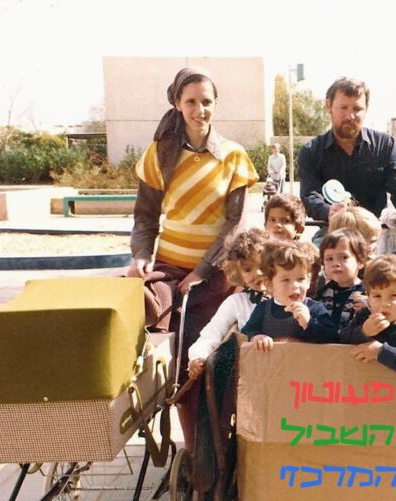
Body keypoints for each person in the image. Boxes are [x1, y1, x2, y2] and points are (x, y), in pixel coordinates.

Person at [127, 66, 258, 450]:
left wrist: (201, 270)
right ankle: (189, 447)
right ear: (177, 104)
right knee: (171, 351)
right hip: (169, 270)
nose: (200, 110)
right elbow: (145, 217)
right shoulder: (159, 154)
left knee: (209, 361)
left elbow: (235, 224)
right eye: (191, 102)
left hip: (215, 275)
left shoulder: (233, 156)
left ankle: (217, 448)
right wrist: (140, 256)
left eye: (207, 102)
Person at [298, 77, 396, 238]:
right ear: (329, 106)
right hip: (332, 234)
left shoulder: (384, 145)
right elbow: (310, 195)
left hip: (376, 235)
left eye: (357, 109)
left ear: (366, 109)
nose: (350, 116)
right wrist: (328, 211)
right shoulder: (311, 151)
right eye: (343, 107)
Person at [187, 228, 267, 379]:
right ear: (238, 274)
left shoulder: (291, 298)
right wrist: (198, 357)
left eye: (262, 265)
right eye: (248, 269)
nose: (257, 273)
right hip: (251, 376)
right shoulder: (237, 303)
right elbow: (211, 335)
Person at [340, 255, 396, 377]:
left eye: (394, 296)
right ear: (368, 297)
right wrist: (364, 331)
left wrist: (379, 351)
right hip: (362, 383)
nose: (384, 304)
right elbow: (342, 339)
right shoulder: (366, 315)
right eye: (377, 296)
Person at [241, 239, 338, 349]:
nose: (294, 285)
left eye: (301, 279)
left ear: (309, 281)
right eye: (286, 280)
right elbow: (246, 332)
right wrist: (256, 336)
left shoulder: (315, 309)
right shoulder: (263, 309)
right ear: (269, 284)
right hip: (274, 360)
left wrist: (309, 323)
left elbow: (333, 338)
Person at [314, 228, 367, 329]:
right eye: (329, 259)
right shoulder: (322, 292)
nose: (335, 263)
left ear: (360, 261)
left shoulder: (367, 293)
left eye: (344, 257)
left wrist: (369, 308)